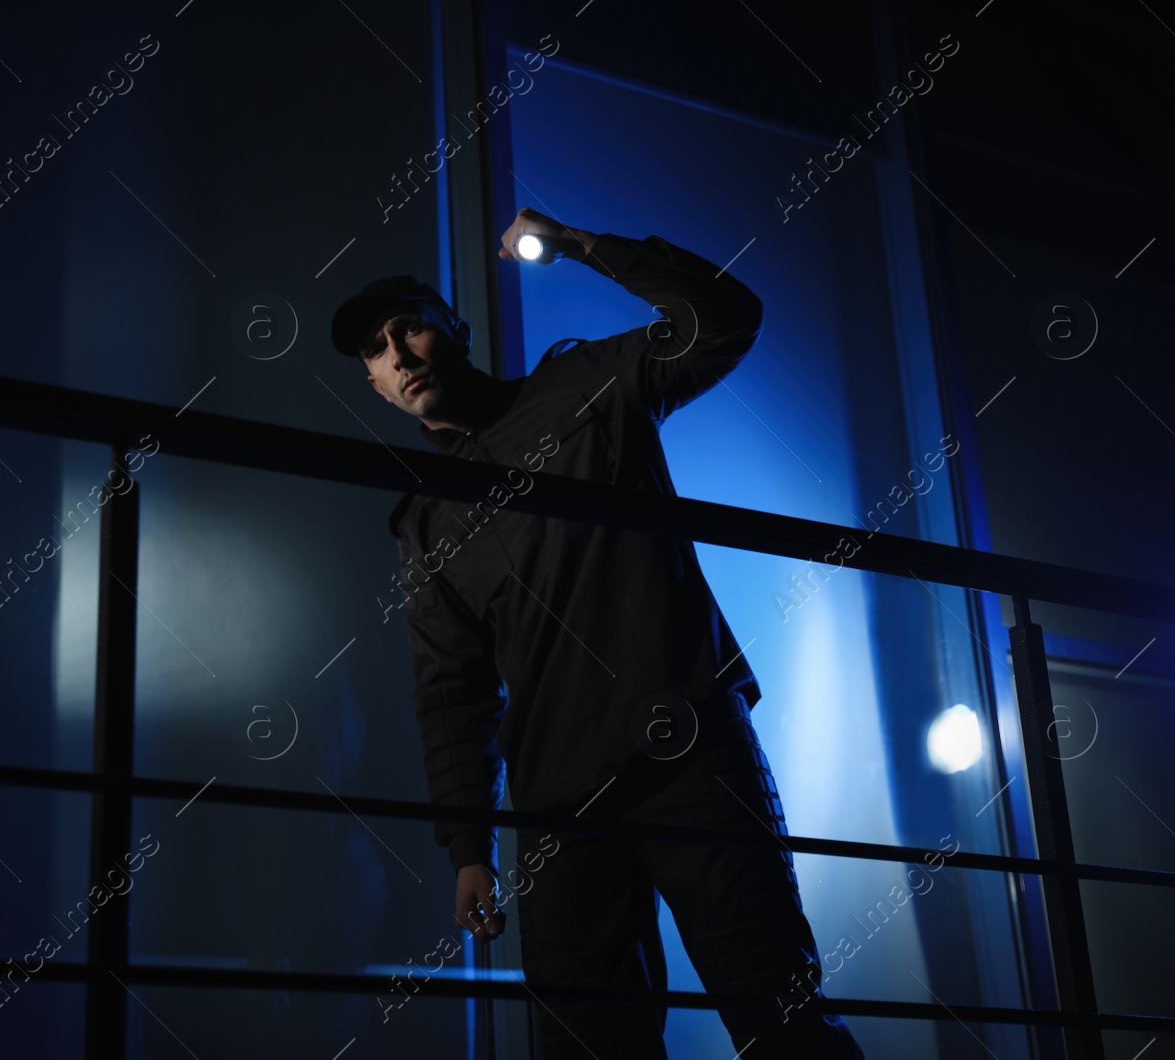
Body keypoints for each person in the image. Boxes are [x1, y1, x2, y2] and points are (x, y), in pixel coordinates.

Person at [331, 208, 865, 1058]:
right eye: (376, 351)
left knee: (779, 1015)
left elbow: (725, 319)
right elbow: (449, 692)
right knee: (588, 1047)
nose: (397, 352)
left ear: (452, 331)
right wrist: (468, 846)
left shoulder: (585, 383)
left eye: (411, 329)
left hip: (688, 750)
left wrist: (580, 245)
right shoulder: (427, 524)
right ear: (374, 385)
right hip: (559, 807)